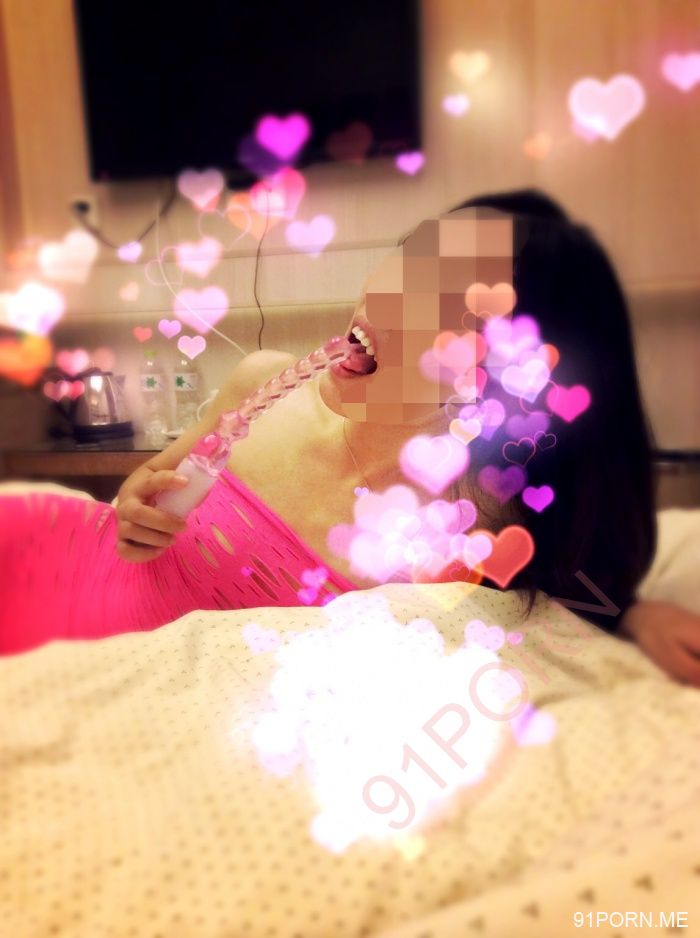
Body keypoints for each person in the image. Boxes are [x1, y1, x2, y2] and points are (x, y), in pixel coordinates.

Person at [1, 189, 699, 686]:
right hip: (56, 573)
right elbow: (143, 490)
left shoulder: (480, 518)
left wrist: (633, 616)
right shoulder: (262, 381)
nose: (383, 298)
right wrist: (136, 511)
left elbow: (576, 581)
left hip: (143, 691)